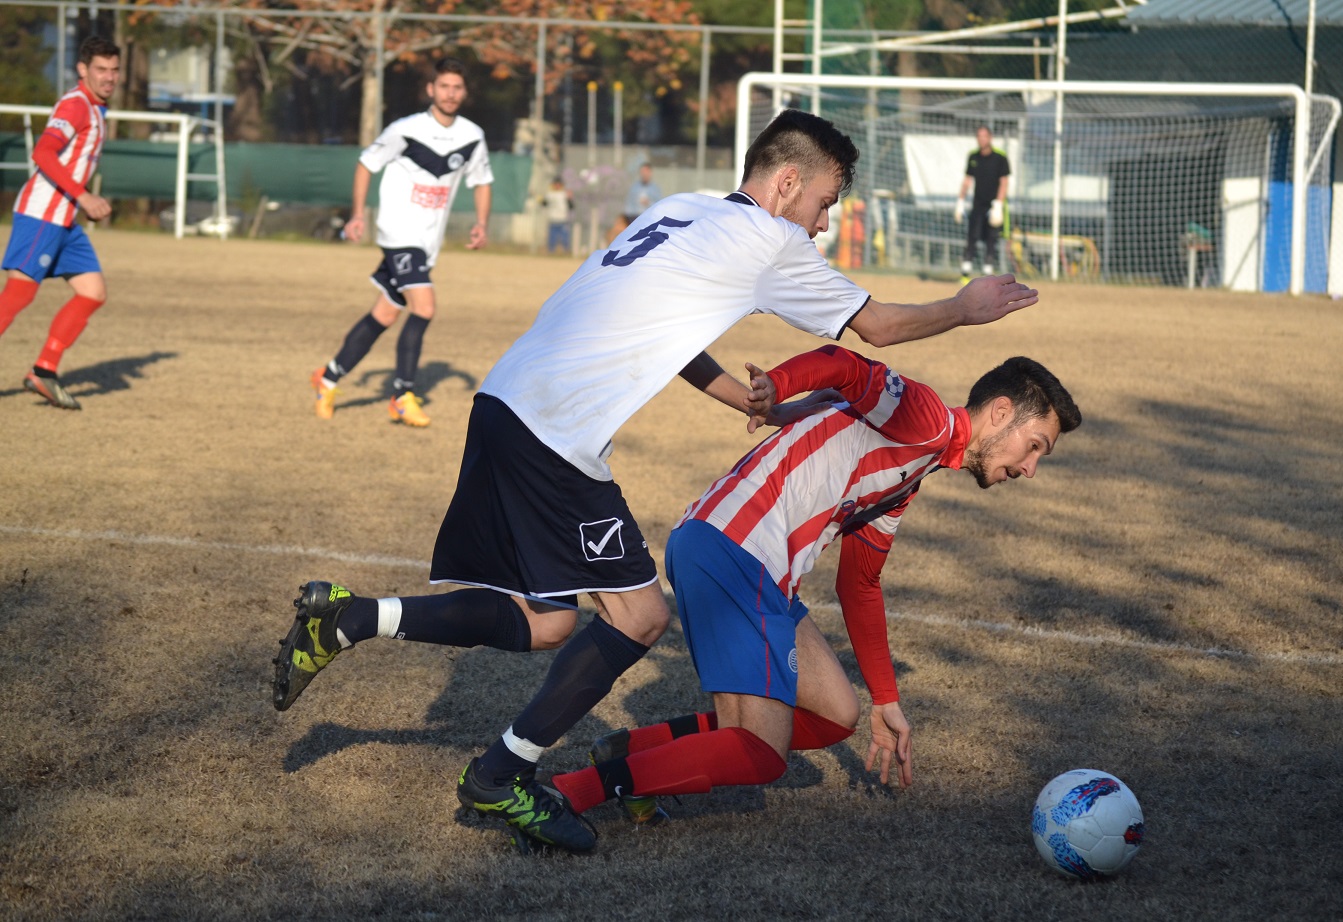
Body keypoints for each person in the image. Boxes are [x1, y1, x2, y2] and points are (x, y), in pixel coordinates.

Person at [273, 108, 1040, 854]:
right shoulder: (770, 240)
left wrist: (740, 398)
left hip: (506, 398)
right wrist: (964, 308)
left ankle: (348, 620)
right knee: (639, 617)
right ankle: (504, 775)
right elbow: (873, 329)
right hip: (558, 428)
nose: (819, 224)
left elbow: (653, 323)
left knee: (548, 622)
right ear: (784, 183)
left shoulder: (680, 210)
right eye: (822, 204)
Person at [547, 346, 1081, 826]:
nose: (1031, 468)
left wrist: (886, 699)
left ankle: (625, 752)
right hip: (733, 549)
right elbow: (847, 366)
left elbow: (861, 584)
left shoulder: (912, 471)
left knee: (834, 714)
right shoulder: (926, 420)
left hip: (758, 570)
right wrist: (776, 386)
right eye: (1034, 447)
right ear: (1002, 413)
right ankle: (573, 793)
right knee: (759, 753)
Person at [310, 57, 493, 429]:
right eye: (444, 86)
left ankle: (327, 379)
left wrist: (481, 223)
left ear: (465, 93)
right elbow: (366, 164)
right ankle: (401, 395)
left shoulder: (472, 136)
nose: (450, 93)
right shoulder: (405, 130)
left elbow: (482, 180)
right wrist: (358, 214)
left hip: (427, 243)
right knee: (424, 308)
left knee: (386, 313)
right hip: (398, 234)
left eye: (457, 87)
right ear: (431, 90)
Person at [0, 36, 120, 411]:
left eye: (115, 70)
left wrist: (78, 201)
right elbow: (42, 152)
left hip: (65, 219)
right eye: (101, 69)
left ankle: (44, 371)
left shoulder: (97, 108)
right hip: (42, 215)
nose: (109, 77)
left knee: (92, 292)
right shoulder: (76, 105)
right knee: (19, 295)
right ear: (83, 70)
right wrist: (83, 196)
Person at [955, 126, 1010, 278]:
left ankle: (988, 272)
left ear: (990, 138)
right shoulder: (973, 157)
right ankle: (965, 272)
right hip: (978, 204)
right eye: (979, 136)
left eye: (984, 136)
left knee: (991, 238)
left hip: (993, 204)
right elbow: (967, 180)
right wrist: (960, 201)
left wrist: (998, 204)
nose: (981, 139)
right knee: (972, 236)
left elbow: (1004, 182)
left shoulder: (1000, 157)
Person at [543, 177, 572, 255]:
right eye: (556, 184)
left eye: (559, 184)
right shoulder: (549, 194)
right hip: (553, 219)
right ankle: (551, 252)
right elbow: (544, 204)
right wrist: (540, 200)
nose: (557, 186)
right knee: (552, 238)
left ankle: (566, 251)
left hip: (562, 219)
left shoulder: (564, 194)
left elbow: (571, 206)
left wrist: (569, 199)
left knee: (564, 238)